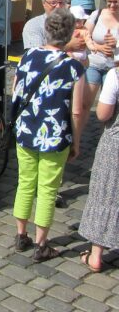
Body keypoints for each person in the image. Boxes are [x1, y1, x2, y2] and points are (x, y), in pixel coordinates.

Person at [10, 8, 86, 263]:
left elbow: (15, 93)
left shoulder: (27, 56)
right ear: (70, 33)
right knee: (47, 190)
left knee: (25, 183)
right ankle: (41, 244)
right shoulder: (74, 67)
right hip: (54, 136)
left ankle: (21, 235)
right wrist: (76, 142)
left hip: (26, 131)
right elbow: (77, 111)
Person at [77, 66, 119, 273]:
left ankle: (96, 255)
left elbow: (102, 114)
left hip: (115, 144)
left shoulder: (115, 75)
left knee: (105, 193)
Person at [82, 0, 119, 117]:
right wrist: (99, 47)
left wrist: (116, 45)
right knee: (85, 104)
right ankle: (77, 137)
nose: (112, 5)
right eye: (109, 2)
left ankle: (107, 137)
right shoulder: (97, 14)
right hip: (94, 64)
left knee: (111, 109)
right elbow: (84, 37)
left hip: (114, 68)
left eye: (116, 2)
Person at [22, 0, 86, 54]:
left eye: (61, 3)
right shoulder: (34, 25)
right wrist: (68, 46)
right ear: (44, 3)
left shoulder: (70, 24)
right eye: (53, 3)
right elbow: (35, 53)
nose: (58, 6)